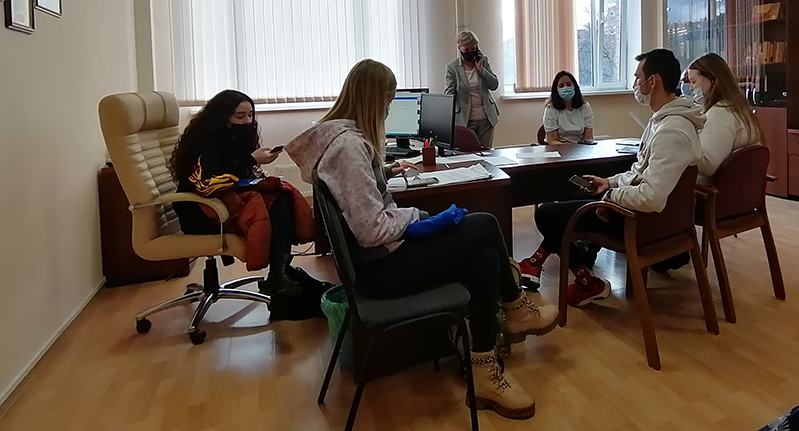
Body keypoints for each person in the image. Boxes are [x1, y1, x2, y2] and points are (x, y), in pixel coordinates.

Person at [286, 59, 556, 420]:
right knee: (485, 224)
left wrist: (386, 178)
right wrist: (418, 218)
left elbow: (360, 198)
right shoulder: (347, 148)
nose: (387, 110)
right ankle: (516, 306)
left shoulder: (338, 141)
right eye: (388, 101)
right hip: (381, 272)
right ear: (373, 99)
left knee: (486, 260)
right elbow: (372, 230)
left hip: (380, 260)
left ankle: (484, 370)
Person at [518, 49, 704, 303]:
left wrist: (611, 196)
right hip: (638, 211)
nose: (635, 84)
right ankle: (572, 275)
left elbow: (651, 197)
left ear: (654, 81)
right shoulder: (661, 121)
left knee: (547, 214)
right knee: (567, 202)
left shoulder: (672, 131)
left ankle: (580, 280)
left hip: (639, 221)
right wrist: (609, 182)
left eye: (638, 78)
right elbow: (639, 171)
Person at [169, 90, 312, 297]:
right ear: (223, 116)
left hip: (224, 201)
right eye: (240, 116)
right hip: (200, 210)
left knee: (280, 195)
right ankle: (278, 275)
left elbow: (236, 172)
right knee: (276, 202)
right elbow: (208, 182)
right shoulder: (205, 141)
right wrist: (251, 160)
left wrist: (255, 168)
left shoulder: (236, 135)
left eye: (250, 115)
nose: (247, 121)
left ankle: (280, 272)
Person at [650, 52, 764, 274]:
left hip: (714, 199)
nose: (691, 88)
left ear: (712, 80)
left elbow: (708, 164)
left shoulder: (721, 114)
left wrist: (679, 147)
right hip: (739, 198)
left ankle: (664, 254)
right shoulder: (738, 108)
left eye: (694, 82)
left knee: (657, 188)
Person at [445, 30, 499, 148]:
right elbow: (449, 95)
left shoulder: (483, 61)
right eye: (466, 50)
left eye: (473, 49)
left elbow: (494, 85)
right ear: (459, 48)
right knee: (467, 152)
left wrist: (481, 69)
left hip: (486, 118)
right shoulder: (452, 67)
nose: (470, 52)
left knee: (486, 152)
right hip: (465, 119)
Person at [542, 71, 594, 144]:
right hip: (558, 148)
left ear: (575, 87)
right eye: (561, 86)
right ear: (556, 90)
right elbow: (553, 140)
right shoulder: (551, 109)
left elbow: (588, 138)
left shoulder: (585, 107)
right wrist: (568, 149)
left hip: (580, 148)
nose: (566, 88)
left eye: (569, 84)